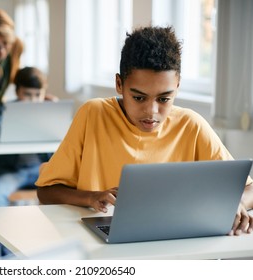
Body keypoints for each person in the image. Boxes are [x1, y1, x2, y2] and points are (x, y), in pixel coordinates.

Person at [35, 26, 253, 236]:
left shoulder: (191, 125)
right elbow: (45, 191)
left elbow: (249, 190)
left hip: (173, 241)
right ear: (119, 84)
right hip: (100, 242)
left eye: (164, 99)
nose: (151, 111)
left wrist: (236, 204)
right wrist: (90, 197)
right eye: (139, 97)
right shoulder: (93, 114)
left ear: (177, 86)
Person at [0, 66, 53, 207]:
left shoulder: (49, 111)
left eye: (37, 95)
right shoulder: (7, 109)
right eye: (27, 94)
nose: (33, 100)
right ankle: (1, 228)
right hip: (13, 171)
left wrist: (54, 110)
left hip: (42, 170)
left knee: (69, 189)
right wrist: (12, 118)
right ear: (17, 92)